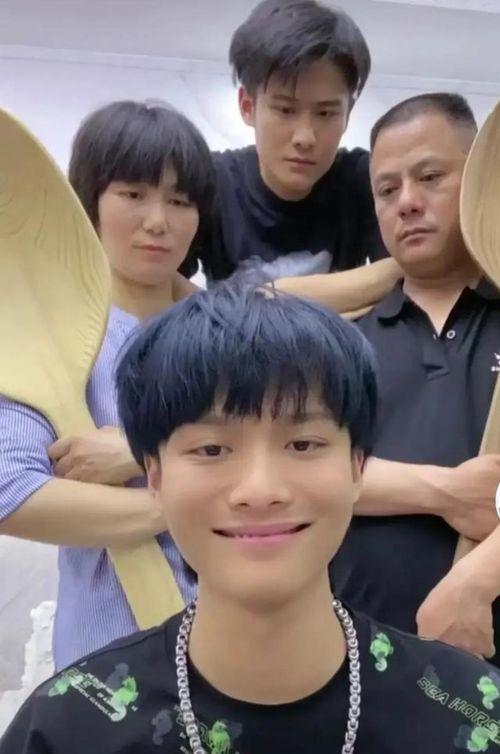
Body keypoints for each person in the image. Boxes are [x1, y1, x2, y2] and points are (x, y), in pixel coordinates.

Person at [2, 282, 500, 754]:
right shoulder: (67, 728)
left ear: (356, 467)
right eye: (212, 449)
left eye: (302, 444)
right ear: (155, 474)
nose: (260, 491)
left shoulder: (472, 714)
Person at [0, 100, 214, 669]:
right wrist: (194, 499)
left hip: (244, 645)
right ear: (89, 200)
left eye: (180, 201)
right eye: (133, 193)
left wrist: (140, 455)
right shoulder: (47, 338)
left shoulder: (235, 337)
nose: (158, 221)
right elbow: (12, 493)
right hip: (107, 657)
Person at [332, 93, 500, 663]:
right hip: (363, 665)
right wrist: (447, 492)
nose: (406, 202)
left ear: (478, 181)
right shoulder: (340, 343)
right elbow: (304, 470)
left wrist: (477, 578)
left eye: (430, 177)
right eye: (387, 190)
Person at [183, 0, 401, 313]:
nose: (305, 138)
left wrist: (266, 297)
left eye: (325, 113)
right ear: (247, 106)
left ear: (348, 114)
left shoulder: (366, 178)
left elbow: (410, 273)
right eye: (285, 110)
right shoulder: (210, 181)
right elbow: (162, 291)